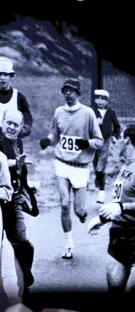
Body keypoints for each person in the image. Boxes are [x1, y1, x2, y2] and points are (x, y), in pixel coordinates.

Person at [86, 124, 135, 293]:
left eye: (119, 138)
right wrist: (102, 219)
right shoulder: (127, 166)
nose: (115, 142)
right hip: (117, 236)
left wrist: (120, 208)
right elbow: (120, 202)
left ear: (126, 140)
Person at [38, 78, 104, 259]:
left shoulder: (88, 113)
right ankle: (68, 244)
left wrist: (87, 143)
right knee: (64, 204)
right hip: (62, 163)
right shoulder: (59, 111)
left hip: (80, 167)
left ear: (78, 93)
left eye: (72, 91)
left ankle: (82, 214)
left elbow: (99, 141)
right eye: (65, 90)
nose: (68, 93)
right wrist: (47, 141)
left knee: (79, 210)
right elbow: (55, 135)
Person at [0, 109, 35, 293]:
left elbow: (21, 173)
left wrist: (28, 190)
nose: (12, 127)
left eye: (16, 125)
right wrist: (15, 164)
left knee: (22, 242)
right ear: (2, 122)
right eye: (9, 123)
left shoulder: (18, 142)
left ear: (21, 128)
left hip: (13, 199)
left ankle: (24, 279)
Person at [91, 88, 121, 204]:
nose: (100, 101)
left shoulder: (111, 113)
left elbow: (117, 126)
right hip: (93, 140)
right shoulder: (92, 111)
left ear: (107, 101)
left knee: (101, 166)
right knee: (95, 166)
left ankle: (101, 192)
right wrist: (95, 123)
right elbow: (87, 124)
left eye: (103, 99)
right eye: (98, 98)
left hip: (105, 141)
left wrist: (114, 136)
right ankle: (98, 182)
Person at [0, 57, 33, 138]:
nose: (2, 78)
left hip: (12, 142)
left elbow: (27, 118)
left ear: (10, 76)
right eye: (0, 74)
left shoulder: (18, 97)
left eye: (5, 74)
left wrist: (18, 131)